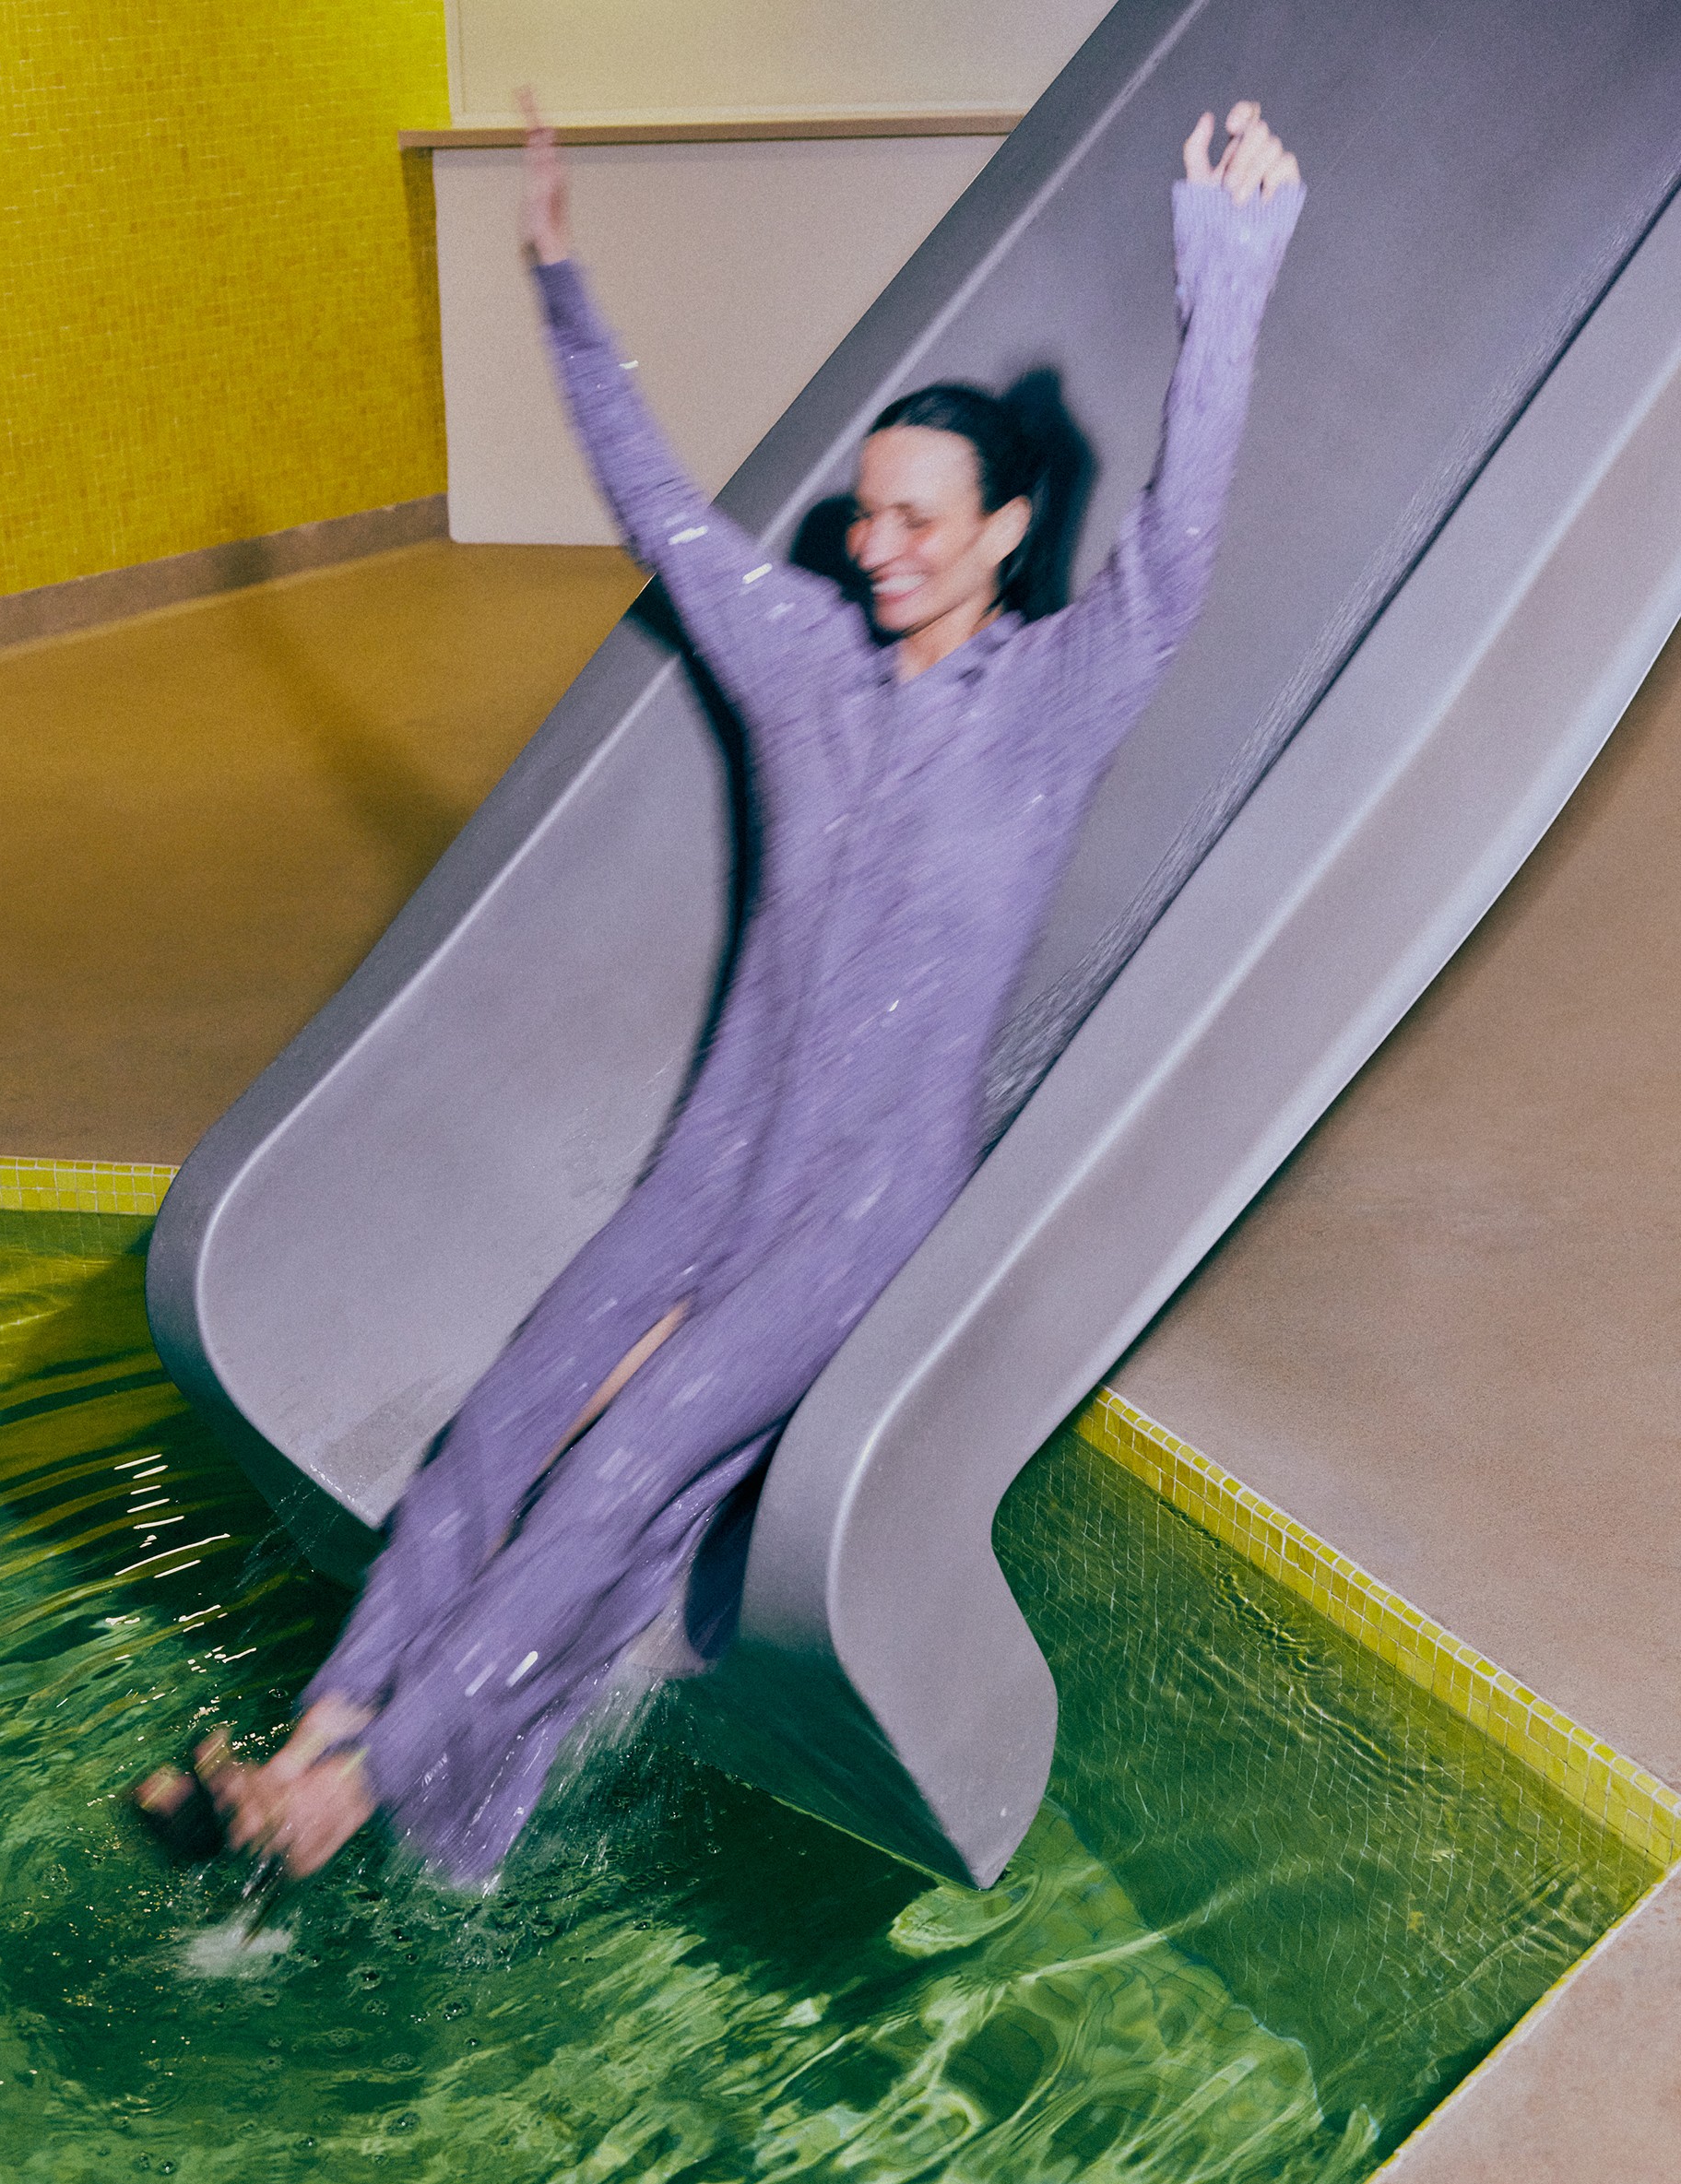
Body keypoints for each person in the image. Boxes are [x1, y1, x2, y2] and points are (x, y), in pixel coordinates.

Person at [136, 95, 1304, 1887]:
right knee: (499, 1430)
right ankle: (322, 1727)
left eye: (920, 517)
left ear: (1002, 530)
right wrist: (560, 285)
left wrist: (1226, 268)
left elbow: (1177, 549)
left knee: (621, 1476)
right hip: (711, 1166)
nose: (879, 543)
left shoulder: (1057, 703)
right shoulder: (803, 665)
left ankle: (355, 1801)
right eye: (866, 512)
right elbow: (663, 512)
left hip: (864, 1204)